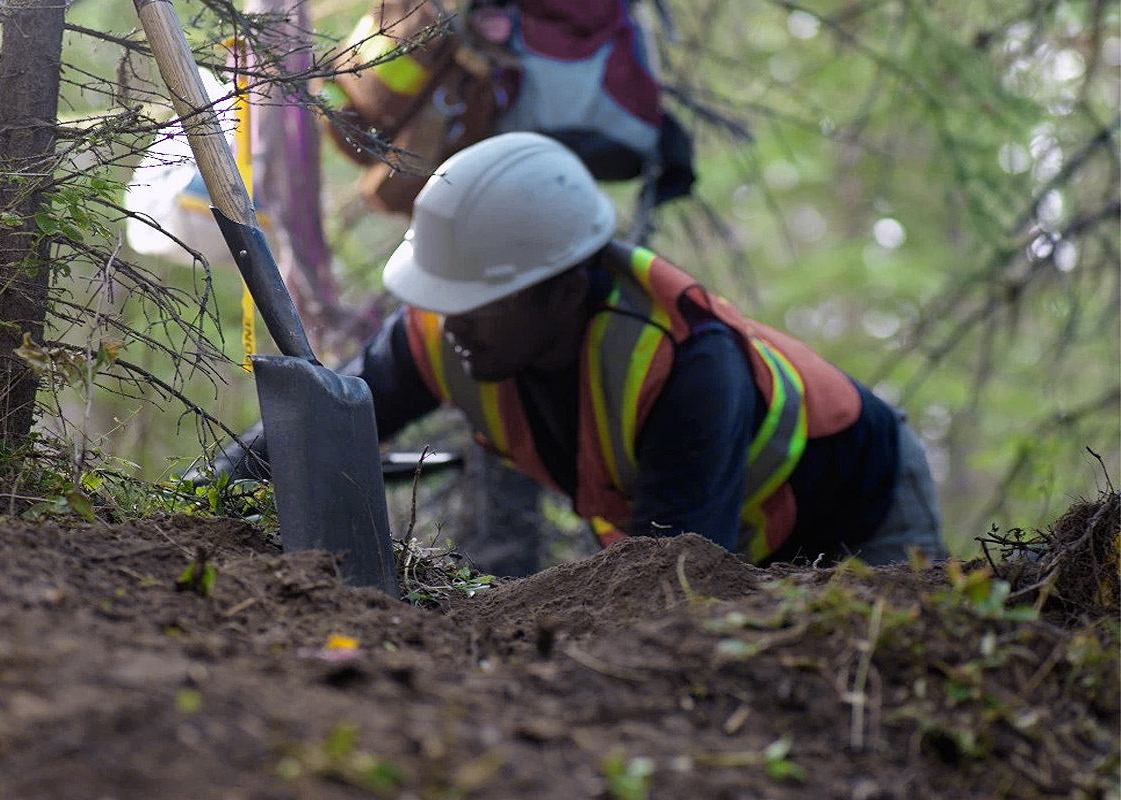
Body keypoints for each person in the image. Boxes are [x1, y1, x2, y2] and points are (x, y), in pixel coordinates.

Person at [210, 131, 946, 567]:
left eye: (475, 303)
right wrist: (199, 495)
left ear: (563, 292)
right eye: (441, 296)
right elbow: (311, 432)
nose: (449, 323)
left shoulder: (686, 368)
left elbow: (672, 579)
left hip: (863, 511)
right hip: (741, 528)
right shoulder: (440, 330)